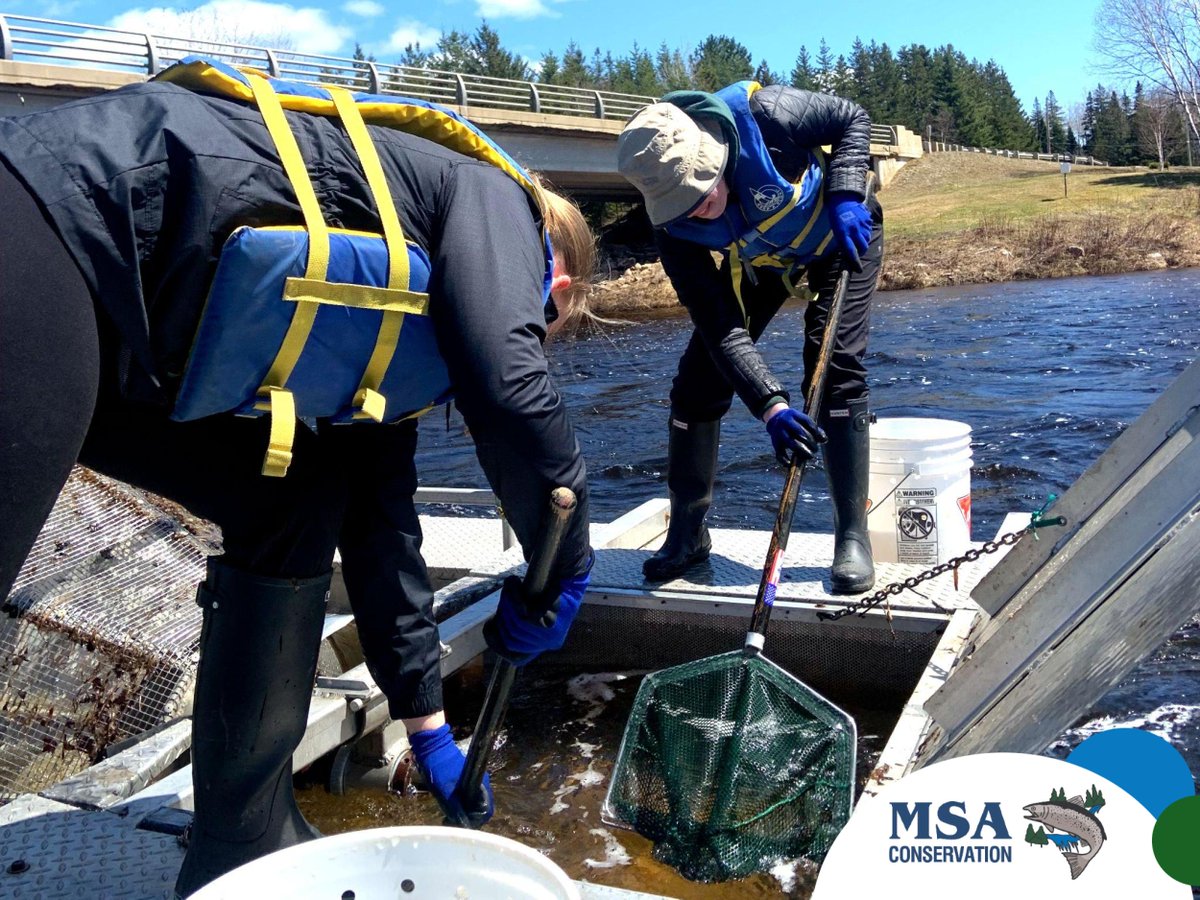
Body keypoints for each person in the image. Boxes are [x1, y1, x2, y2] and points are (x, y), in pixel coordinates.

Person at [0, 58, 594, 897]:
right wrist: (565, 562)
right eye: (547, 321)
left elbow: (381, 524)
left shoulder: (389, 348)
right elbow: (509, 379)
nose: (537, 333)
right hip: (44, 223)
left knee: (297, 495)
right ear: (554, 279)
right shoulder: (495, 198)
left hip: (116, 341)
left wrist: (426, 727)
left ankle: (242, 842)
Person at [616, 81, 883, 594]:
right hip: (765, 262)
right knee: (696, 383)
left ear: (714, 157)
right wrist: (771, 407)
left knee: (836, 369)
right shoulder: (673, 231)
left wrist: (847, 193)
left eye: (697, 195)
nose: (693, 212)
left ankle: (852, 537)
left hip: (841, 234)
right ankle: (689, 533)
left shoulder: (770, 115)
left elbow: (853, 115)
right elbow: (721, 327)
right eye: (678, 207)